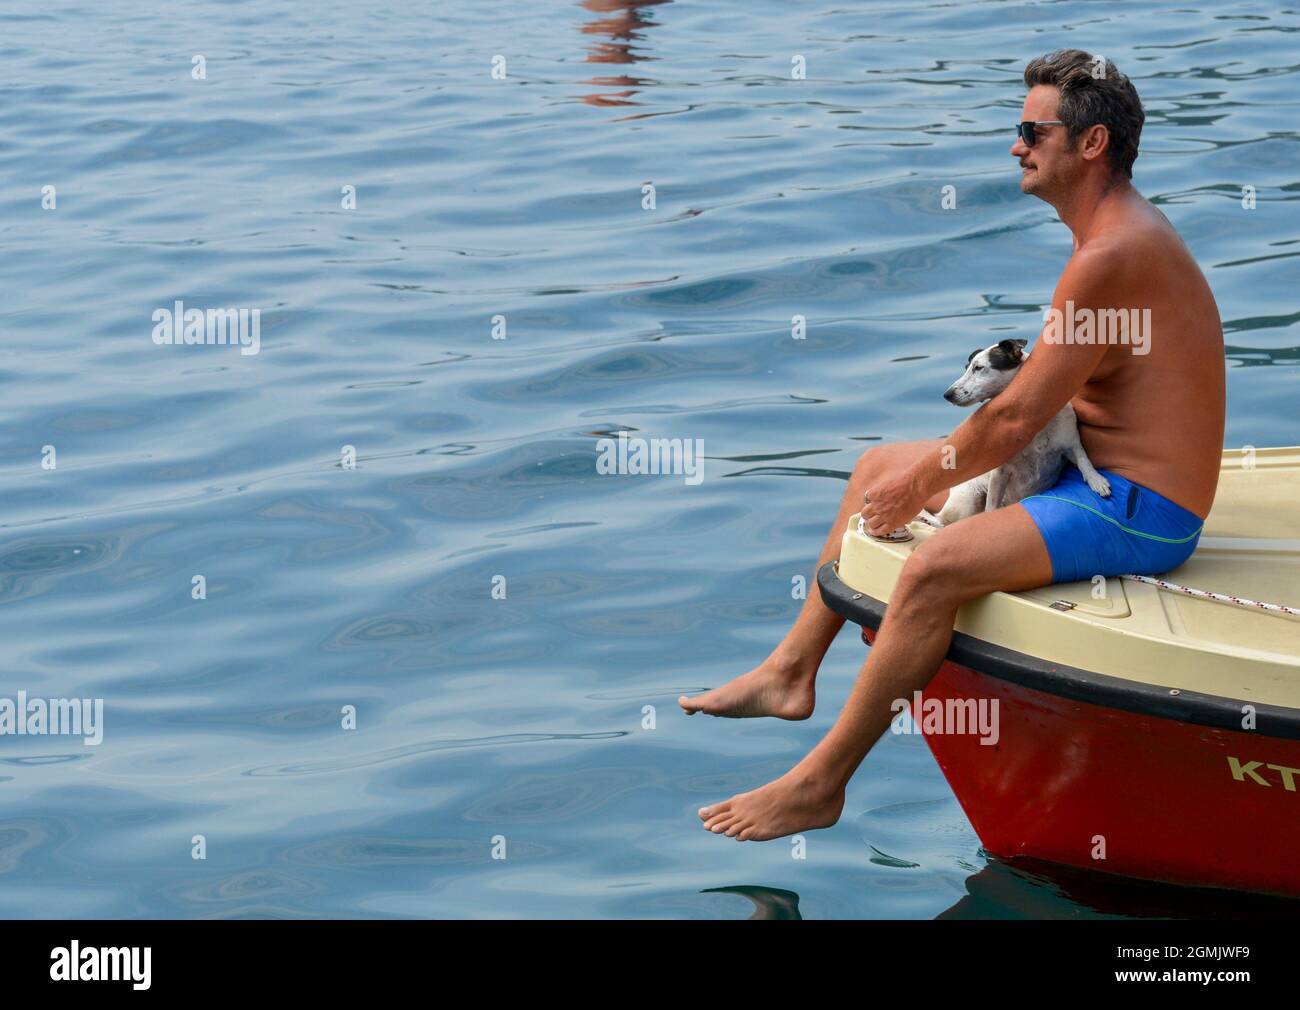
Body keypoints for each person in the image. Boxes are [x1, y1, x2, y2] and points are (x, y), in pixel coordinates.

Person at [680, 49, 1226, 841]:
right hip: (1091, 478)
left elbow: (1013, 421)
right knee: (874, 466)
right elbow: (1030, 409)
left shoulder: (1112, 255)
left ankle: (821, 783)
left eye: (1032, 130)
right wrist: (911, 477)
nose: (1017, 145)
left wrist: (921, 486)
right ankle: (791, 670)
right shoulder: (1106, 238)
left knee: (934, 566)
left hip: (1143, 508)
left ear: (1092, 144)